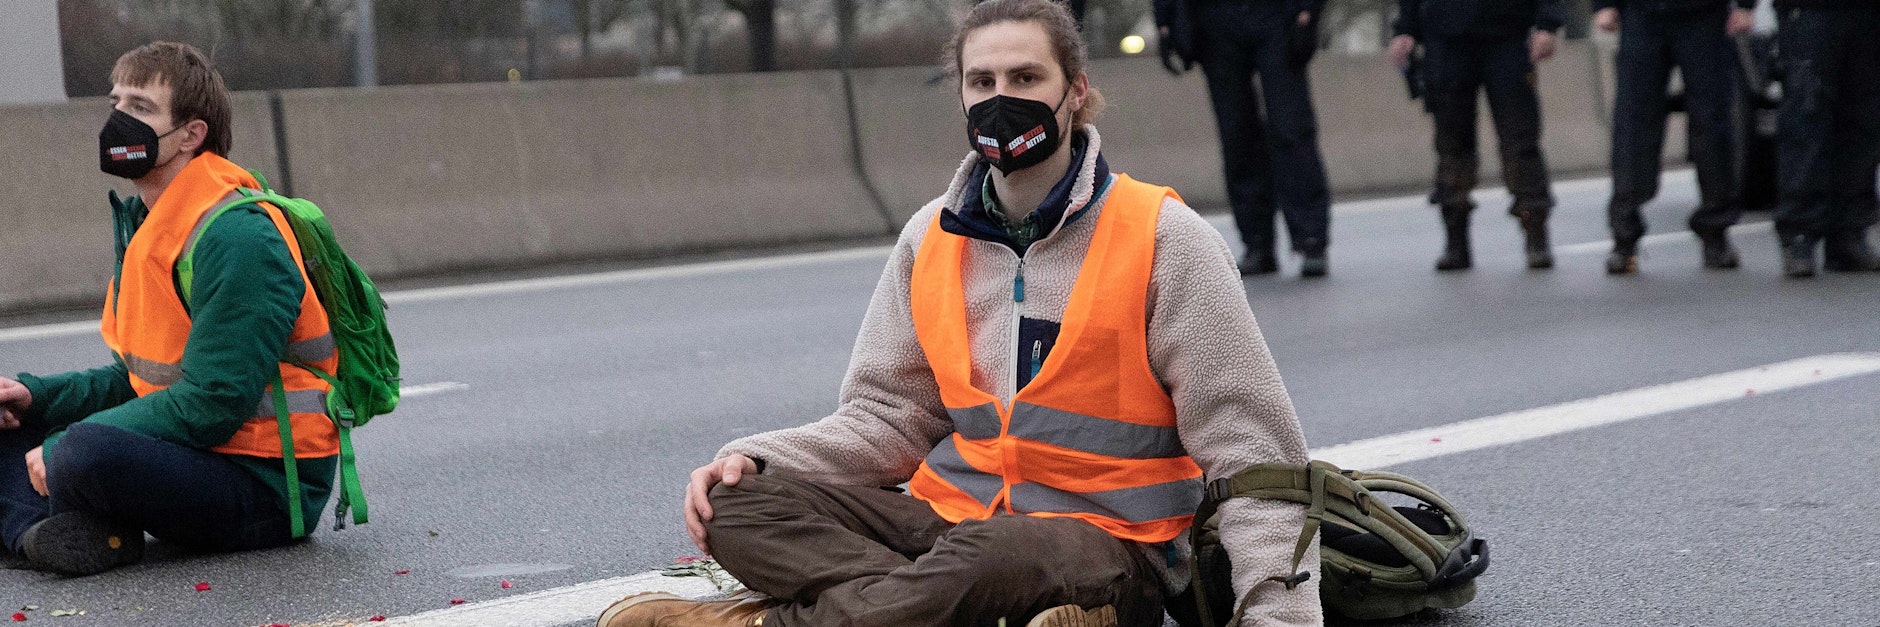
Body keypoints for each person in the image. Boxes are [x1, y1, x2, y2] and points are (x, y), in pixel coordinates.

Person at [596, 1, 1320, 626]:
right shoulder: (929, 236)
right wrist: (757, 457)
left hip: (1111, 545)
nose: (1002, 98)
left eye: (1026, 78)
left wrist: (1278, 614)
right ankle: (977, 612)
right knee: (737, 505)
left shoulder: (1166, 238)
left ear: (1077, 92)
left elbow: (1256, 453)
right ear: (963, 96)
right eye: (983, 82)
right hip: (951, 526)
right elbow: (886, 417)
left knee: (996, 553)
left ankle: (771, 619)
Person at [0, 42, 338, 576]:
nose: (117, 120)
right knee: (10, 419)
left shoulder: (239, 237)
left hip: (266, 484)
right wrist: (36, 396)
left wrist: (65, 444)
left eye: (139, 108)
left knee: (84, 451)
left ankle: (32, 526)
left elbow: (212, 402)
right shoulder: (150, 225)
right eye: (115, 103)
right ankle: (45, 535)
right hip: (192, 458)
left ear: (191, 134)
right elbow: (138, 382)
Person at [1157, 0, 1335, 278]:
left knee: (1291, 129)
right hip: (1215, 19)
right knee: (1237, 134)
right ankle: (1257, 242)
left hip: (1277, 14)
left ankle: (1311, 239)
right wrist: (1165, 20)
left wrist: (1308, 10)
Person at [1390, 0, 1565, 271]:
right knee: (1451, 146)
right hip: (1445, 38)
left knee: (1520, 143)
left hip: (1508, 34)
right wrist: (1406, 28)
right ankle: (1455, 239)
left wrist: (1547, 24)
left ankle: (1535, 233)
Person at [1595, 0, 1756, 274]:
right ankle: (1625, 237)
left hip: (1705, 15)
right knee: (1633, 126)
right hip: (1642, 14)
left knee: (1713, 123)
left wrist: (1744, 4)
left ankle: (1715, 232)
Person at [1770, 0, 1880, 277]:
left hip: (1867, 12)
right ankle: (1799, 234)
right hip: (1809, 8)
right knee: (1805, 117)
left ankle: (1849, 232)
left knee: (1863, 123)